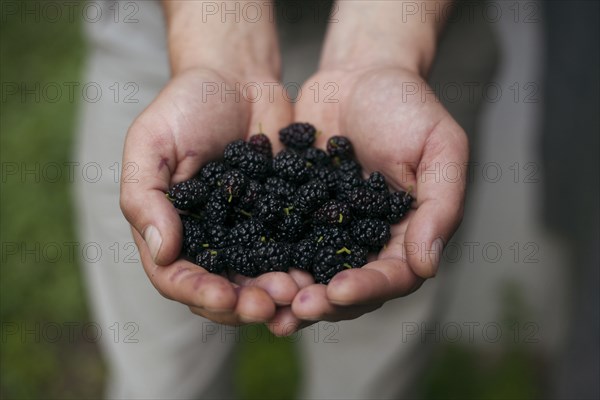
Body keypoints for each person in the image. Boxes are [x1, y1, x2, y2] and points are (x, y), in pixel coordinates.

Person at [75, 1, 493, 398]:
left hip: (412, 30)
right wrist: (213, 55)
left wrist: (385, 51)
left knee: (370, 378)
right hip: (179, 26)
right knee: (161, 379)